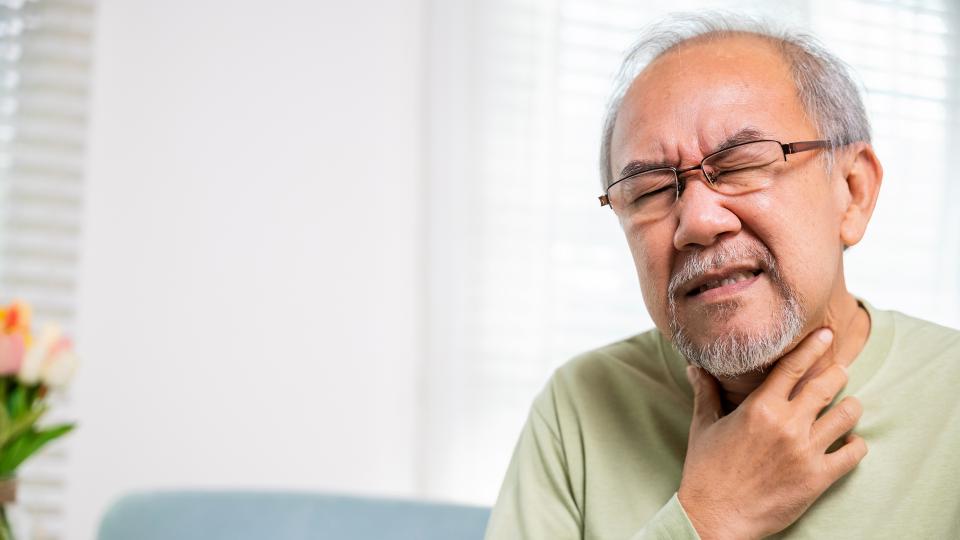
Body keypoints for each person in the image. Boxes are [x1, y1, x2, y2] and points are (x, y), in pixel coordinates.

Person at [484, 13, 960, 540]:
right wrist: (710, 518)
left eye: (738, 164)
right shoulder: (581, 403)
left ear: (853, 191)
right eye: (648, 190)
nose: (698, 222)